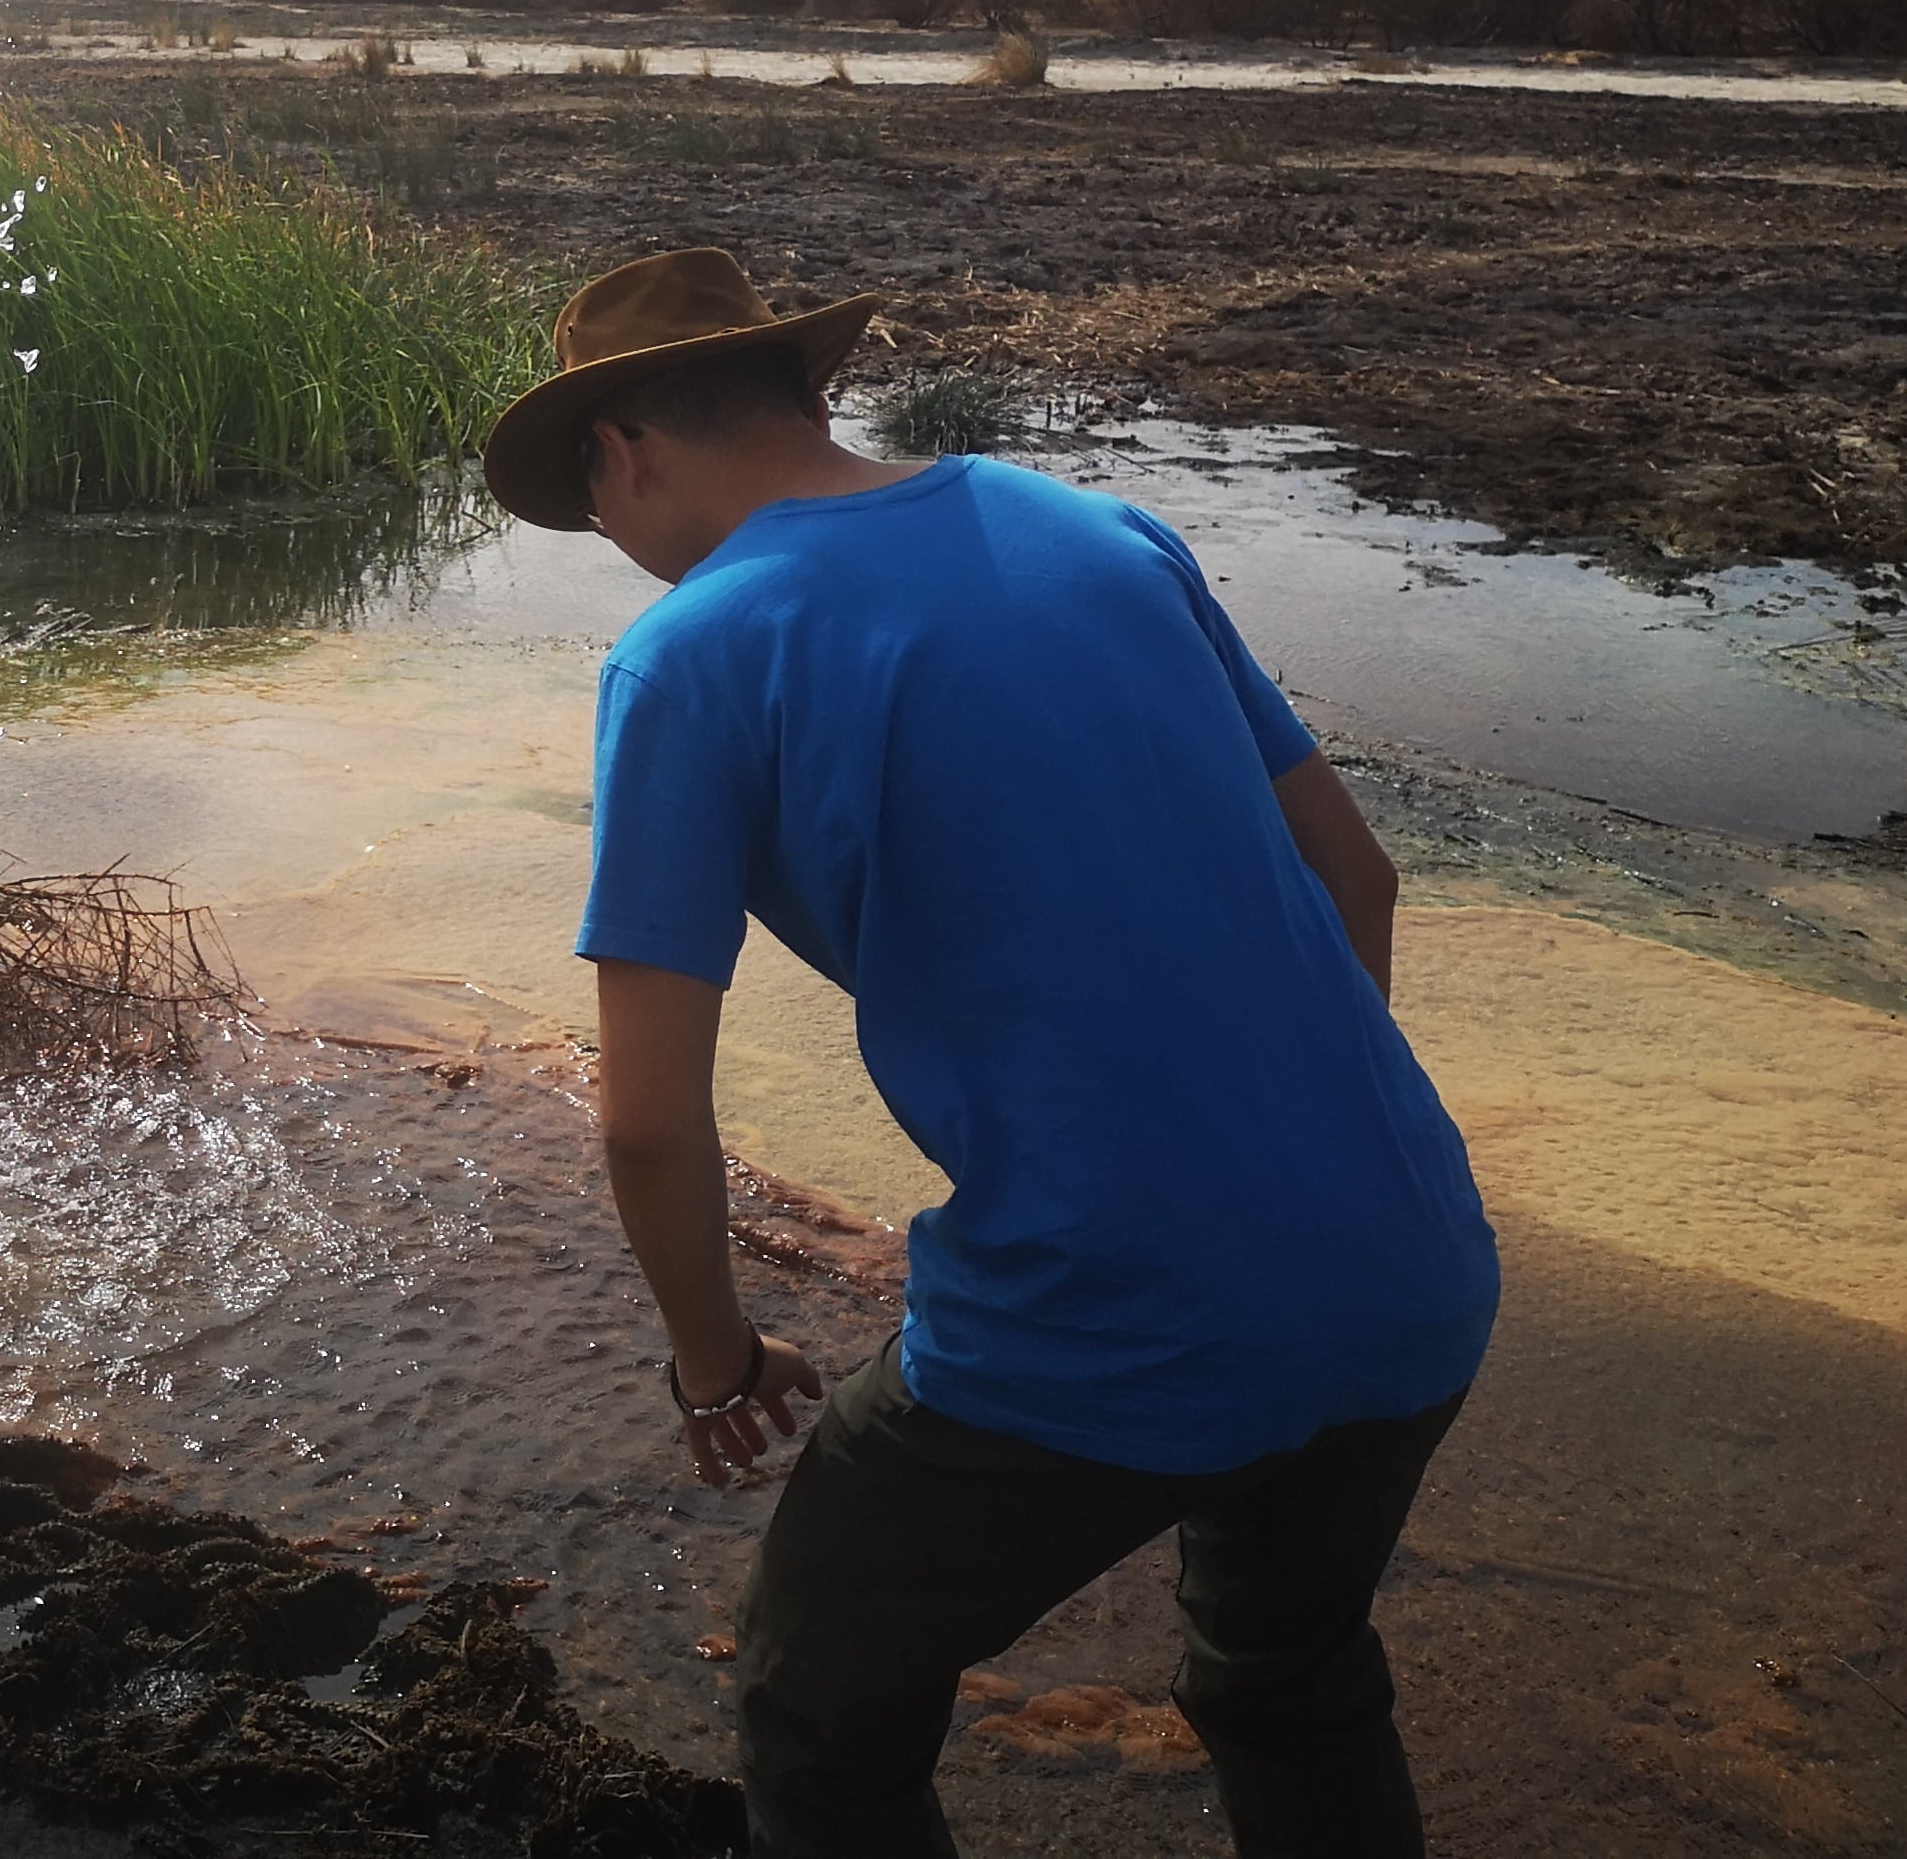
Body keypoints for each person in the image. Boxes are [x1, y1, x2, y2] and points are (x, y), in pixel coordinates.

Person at [482, 248, 1499, 1859]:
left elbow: (651, 1126)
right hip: (1413, 1255)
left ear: (623, 449)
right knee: (1287, 1676)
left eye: (586, 501)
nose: (607, 539)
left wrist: (716, 1365)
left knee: (819, 1710)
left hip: (1120, 1310)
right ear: (807, 398)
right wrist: (1271, 1159)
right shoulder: (1096, 529)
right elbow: (1357, 878)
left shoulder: (691, 656)